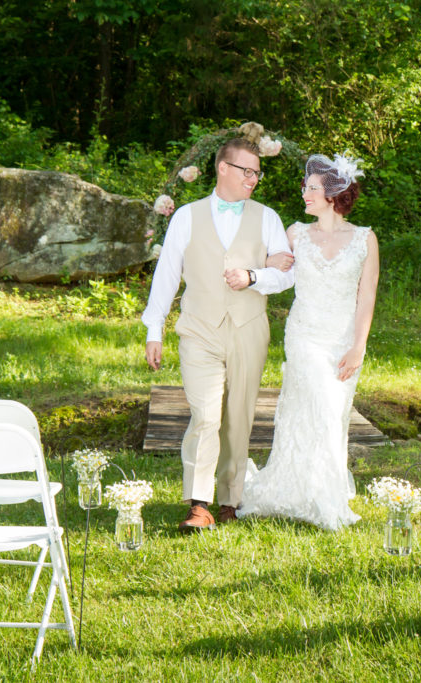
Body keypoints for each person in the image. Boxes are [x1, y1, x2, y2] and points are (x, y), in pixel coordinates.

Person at [142, 138, 294, 532]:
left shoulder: (267, 218)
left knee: (239, 416)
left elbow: (287, 273)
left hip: (248, 327)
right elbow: (167, 274)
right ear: (222, 168)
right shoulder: (188, 217)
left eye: (257, 173)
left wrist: (254, 275)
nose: (254, 179)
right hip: (199, 328)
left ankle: (230, 498)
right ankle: (199, 503)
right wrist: (154, 329)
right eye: (247, 171)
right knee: (206, 415)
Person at [238, 153, 379, 530]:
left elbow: (366, 297)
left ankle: (310, 488)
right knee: (320, 402)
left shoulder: (365, 239)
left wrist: (359, 346)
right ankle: (326, 503)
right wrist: (251, 276)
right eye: (306, 187)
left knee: (331, 413)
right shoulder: (296, 233)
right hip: (304, 336)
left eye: (312, 188)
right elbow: (278, 276)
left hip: (343, 339)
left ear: (334, 194)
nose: (305, 193)